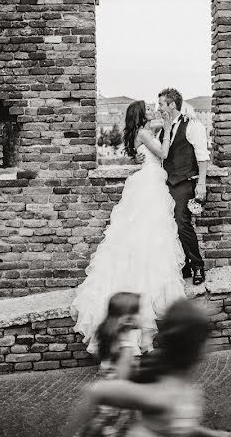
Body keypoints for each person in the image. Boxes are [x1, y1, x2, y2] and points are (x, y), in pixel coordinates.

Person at [71, 100, 186, 355]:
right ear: (141, 114)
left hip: (145, 181)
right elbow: (164, 154)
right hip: (151, 184)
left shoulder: (136, 133)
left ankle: (141, 339)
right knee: (151, 234)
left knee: (139, 234)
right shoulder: (145, 133)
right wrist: (167, 128)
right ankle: (142, 338)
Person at [64, 298, 231, 437]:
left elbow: (174, 427)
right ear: (195, 347)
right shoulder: (160, 396)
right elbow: (95, 391)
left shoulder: (184, 389)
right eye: (208, 336)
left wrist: (210, 434)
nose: (213, 343)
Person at [153, 88, 210, 285]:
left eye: (161, 104)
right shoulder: (164, 128)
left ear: (172, 105)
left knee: (183, 223)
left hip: (185, 182)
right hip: (167, 184)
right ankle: (184, 264)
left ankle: (197, 267)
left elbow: (202, 157)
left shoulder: (193, 125)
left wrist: (201, 184)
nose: (158, 108)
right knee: (172, 225)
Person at [78, 292, 143, 437]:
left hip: (106, 399)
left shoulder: (112, 338)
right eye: (139, 312)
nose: (142, 316)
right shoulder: (126, 348)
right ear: (127, 319)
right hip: (117, 402)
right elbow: (121, 382)